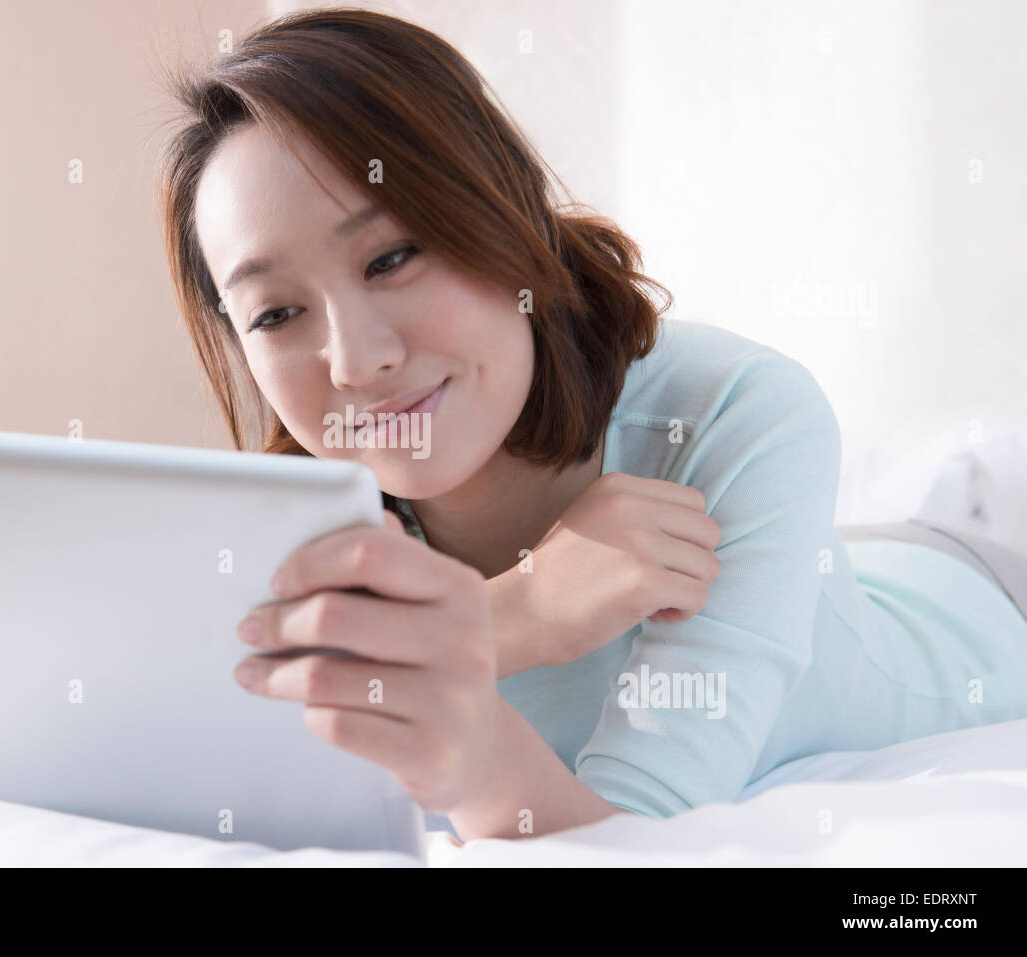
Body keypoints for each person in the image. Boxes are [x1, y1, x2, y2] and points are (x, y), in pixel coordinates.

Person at [154, 7, 1027, 842]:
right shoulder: (300, 536)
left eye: (390, 258)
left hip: (981, 601)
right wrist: (524, 611)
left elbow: (634, 836)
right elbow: (188, 752)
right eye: (275, 315)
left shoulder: (738, 413)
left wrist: (465, 713)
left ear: (501, 211)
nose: (353, 361)